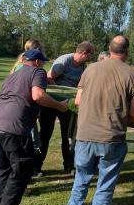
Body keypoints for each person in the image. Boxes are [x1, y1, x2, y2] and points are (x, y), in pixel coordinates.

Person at [60, 35, 134, 205]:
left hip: (84, 135)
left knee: (81, 181)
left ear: (109, 49)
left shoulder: (89, 69)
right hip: (111, 138)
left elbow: (78, 101)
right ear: (127, 51)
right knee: (105, 186)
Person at [0, 49, 69, 205]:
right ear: (37, 62)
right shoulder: (37, 72)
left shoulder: (12, 75)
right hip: (16, 129)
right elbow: (38, 95)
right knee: (22, 170)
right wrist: (59, 106)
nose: (44, 65)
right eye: (43, 62)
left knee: (3, 171)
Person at [36, 41, 95, 175]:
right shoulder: (64, 60)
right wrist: (61, 94)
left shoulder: (83, 66)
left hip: (68, 104)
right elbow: (49, 77)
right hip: (50, 103)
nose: (93, 56)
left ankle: (69, 166)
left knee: (68, 136)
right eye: (92, 53)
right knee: (45, 134)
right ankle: (36, 166)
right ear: (84, 53)